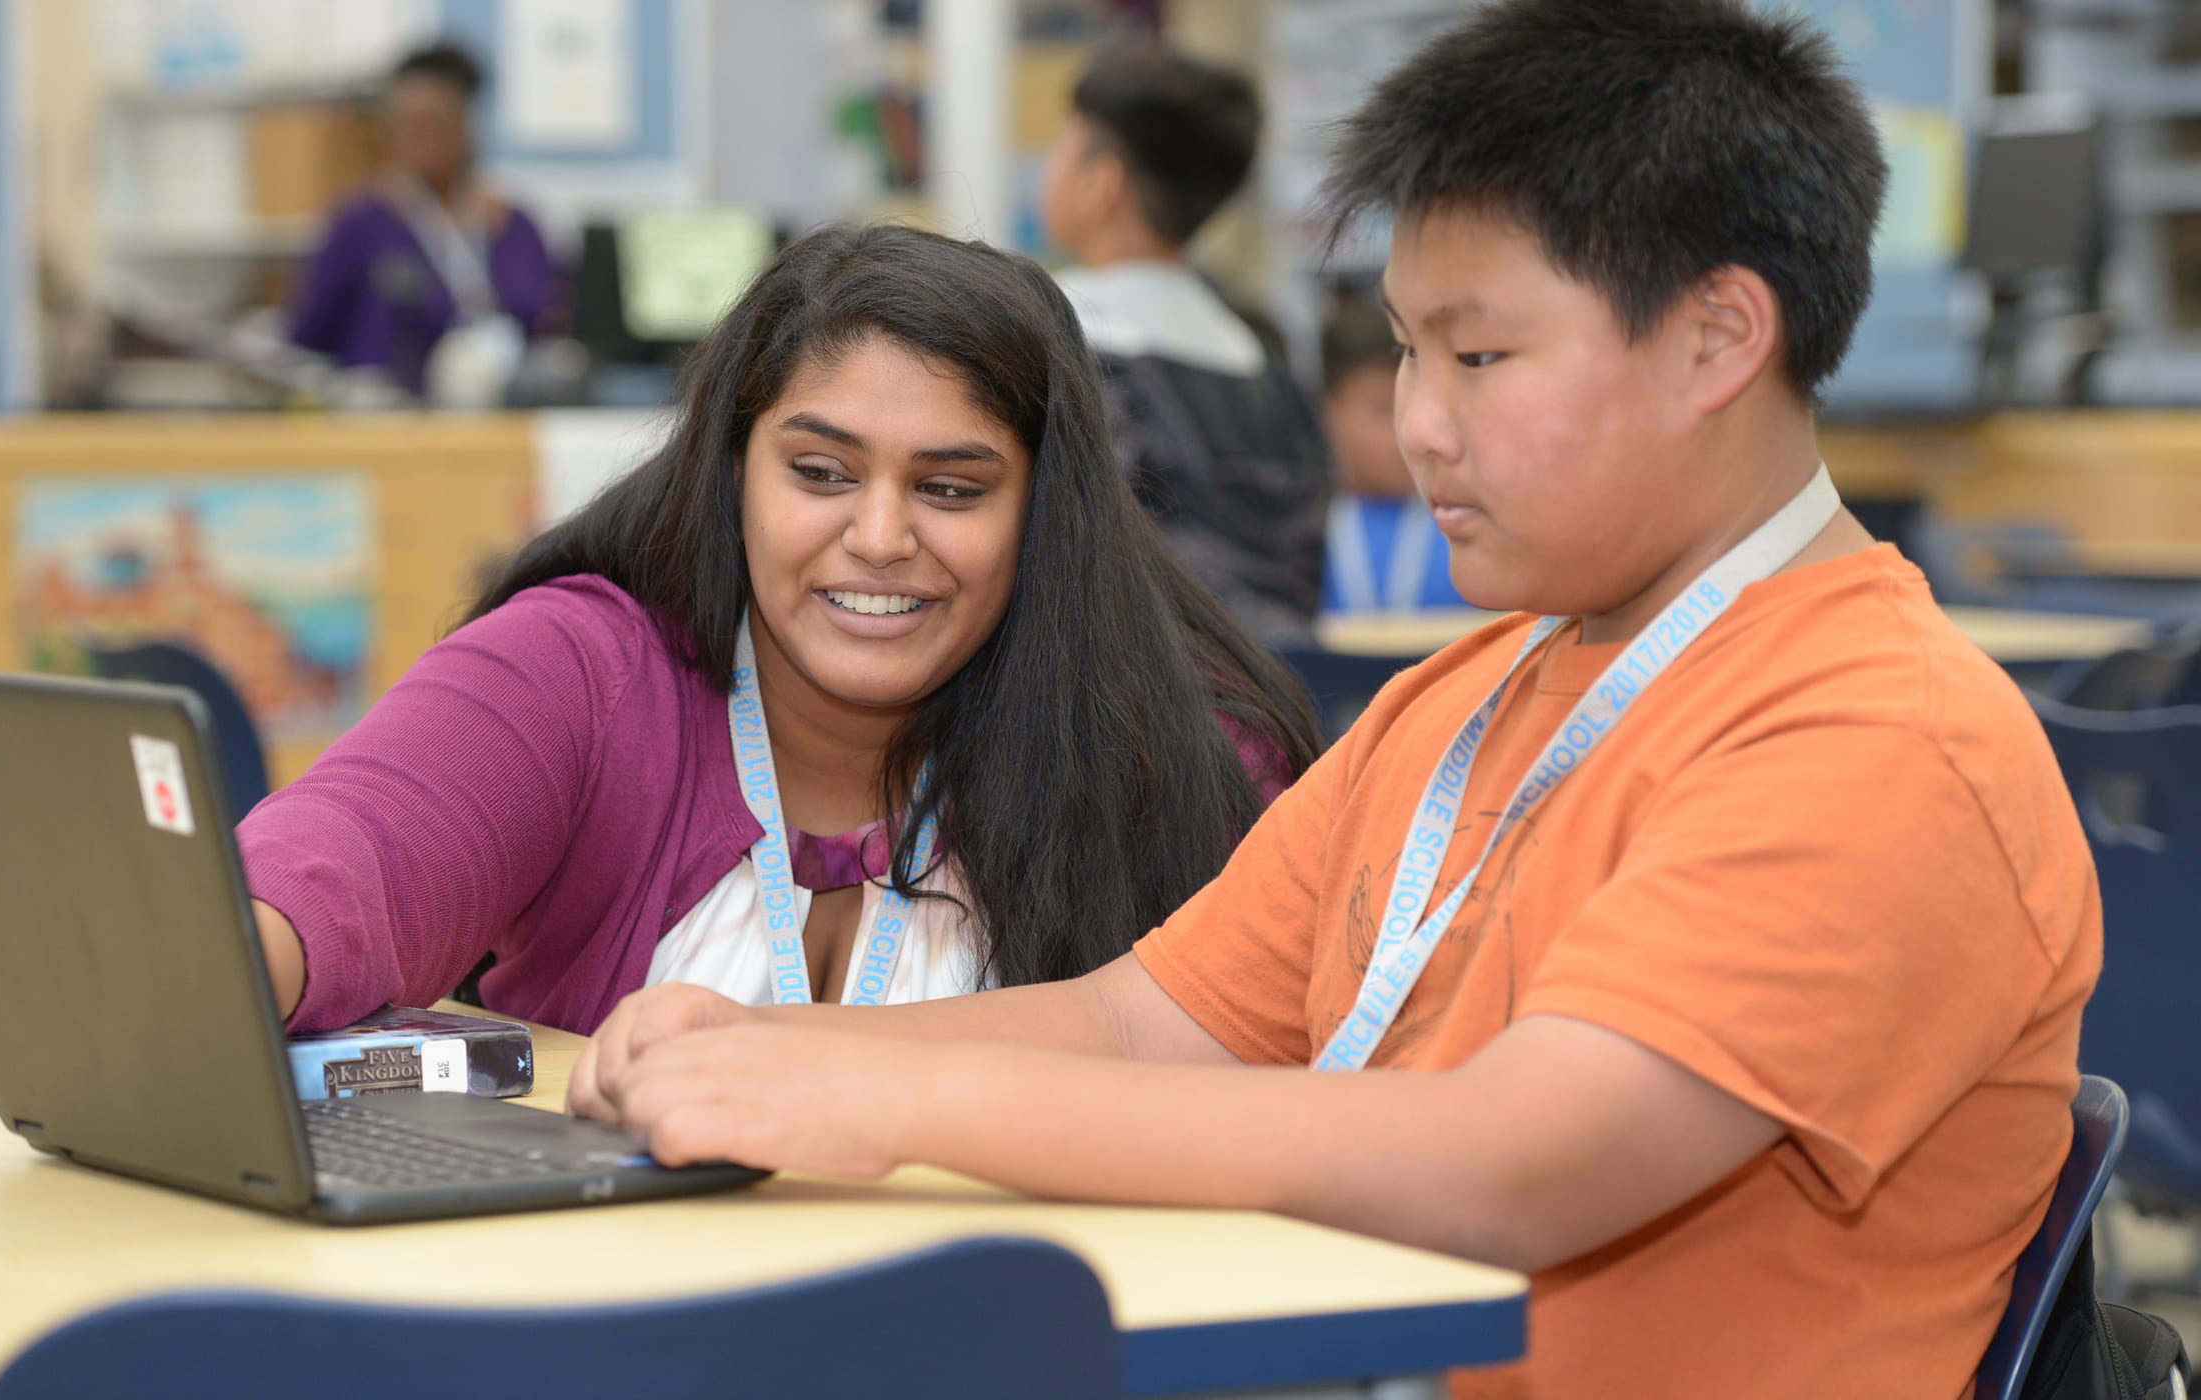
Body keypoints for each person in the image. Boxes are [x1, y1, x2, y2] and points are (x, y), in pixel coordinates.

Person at [566, 4, 2104, 1396]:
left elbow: (1507, 1165)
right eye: (1404, 353)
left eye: (1482, 355)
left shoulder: (1876, 739)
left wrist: (896, 1112)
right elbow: (1144, 1025)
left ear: (1718, 337)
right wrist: (784, 1051)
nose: (1420, 424)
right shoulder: (1470, 694)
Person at [240, 222, 1320, 1038]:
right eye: (819, 472)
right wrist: (227, 950)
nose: (881, 535)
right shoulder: (583, 668)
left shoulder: (1187, 759)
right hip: (611, 1322)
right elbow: (346, 859)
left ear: (1045, 514)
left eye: (950, 488)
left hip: (1023, 1326)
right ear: (733, 471)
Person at [1039, 44, 1333, 646]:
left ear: (1101, 185)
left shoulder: (1055, 335)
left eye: (1059, 150)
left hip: (1121, 713)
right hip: (1279, 709)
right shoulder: (1271, 370)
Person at [285, 41, 558, 403]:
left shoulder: (517, 226)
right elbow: (307, 338)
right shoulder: (358, 224)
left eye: (436, 124)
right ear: (386, 132)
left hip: (504, 420)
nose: (422, 139)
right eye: (407, 125)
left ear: (466, 126)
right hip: (385, 425)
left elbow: (551, 325)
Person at [1316, 299, 1466, 614]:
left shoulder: (1466, 528)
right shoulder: (1298, 535)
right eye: (1382, 410)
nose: (1407, 430)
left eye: (1419, 405)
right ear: (1327, 413)